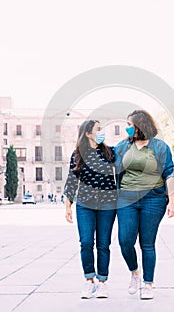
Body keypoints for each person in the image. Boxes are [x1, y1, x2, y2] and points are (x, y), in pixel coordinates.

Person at [114, 110, 174, 300]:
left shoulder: (160, 147)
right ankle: (135, 273)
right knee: (125, 241)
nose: (127, 128)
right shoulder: (122, 146)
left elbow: (169, 173)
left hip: (153, 199)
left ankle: (148, 284)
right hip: (126, 198)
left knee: (147, 243)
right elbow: (110, 166)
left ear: (140, 125)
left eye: (130, 124)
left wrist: (171, 202)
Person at [63, 119, 117, 299]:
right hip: (85, 205)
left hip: (107, 204)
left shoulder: (110, 153)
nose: (102, 132)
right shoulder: (78, 154)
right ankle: (89, 280)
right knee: (86, 242)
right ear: (88, 133)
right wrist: (68, 206)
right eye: (98, 129)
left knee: (103, 244)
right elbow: (72, 180)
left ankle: (102, 282)